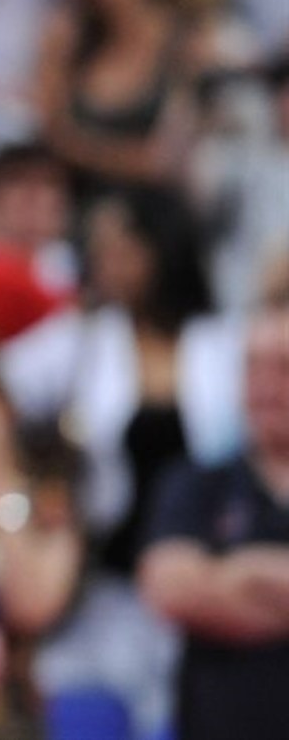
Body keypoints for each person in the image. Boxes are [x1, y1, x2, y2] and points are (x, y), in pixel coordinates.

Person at [137, 298, 289, 740]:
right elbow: (168, 587)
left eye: (283, 367)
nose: (265, 385)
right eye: (252, 367)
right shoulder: (195, 482)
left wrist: (238, 578)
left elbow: (199, 584)